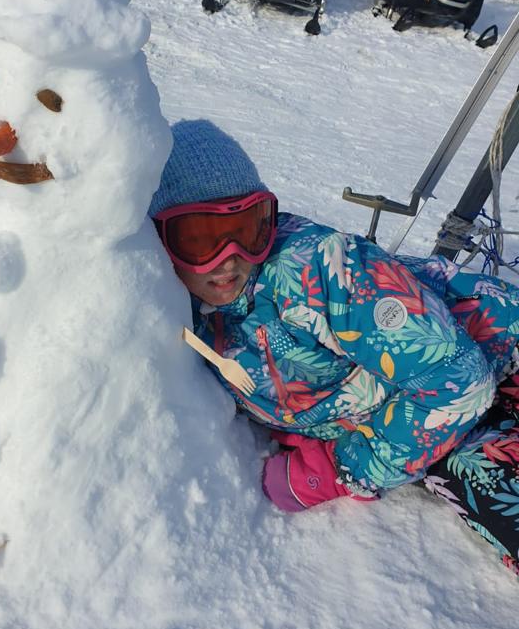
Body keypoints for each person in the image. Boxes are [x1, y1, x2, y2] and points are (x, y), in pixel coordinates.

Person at [149, 120, 519, 574]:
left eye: (248, 229)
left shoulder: (317, 269)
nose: (229, 257)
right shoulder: (168, 303)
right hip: (432, 421)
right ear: (158, 240)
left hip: (496, 350)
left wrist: (338, 470)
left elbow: (457, 379)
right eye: (199, 238)